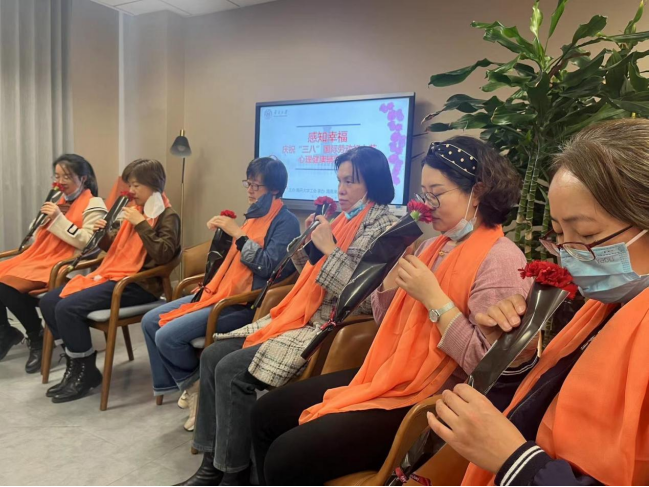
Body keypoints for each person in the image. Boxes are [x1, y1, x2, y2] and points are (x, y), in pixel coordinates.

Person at [251, 136, 533, 485]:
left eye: (436, 194)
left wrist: (435, 300)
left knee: (286, 456)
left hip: (431, 396)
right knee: (266, 412)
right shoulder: (433, 246)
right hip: (391, 370)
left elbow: (487, 367)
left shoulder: (501, 259)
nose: (426, 205)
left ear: (477, 193)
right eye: (424, 194)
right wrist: (387, 284)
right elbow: (387, 322)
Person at [428, 119, 649, 486]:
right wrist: (515, 359)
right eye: (559, 234)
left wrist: (516, 461)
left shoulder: (498, 255)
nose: (568, 255)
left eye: (588, 234)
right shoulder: (607, 309)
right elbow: (540, 405)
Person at [178, 146, 398, 486]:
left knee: (231, 370)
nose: (341, 190)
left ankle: (234, 472)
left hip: (325, 327)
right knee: (211, 356)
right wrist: (306, 241)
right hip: (299, 314)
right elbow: (300, 270)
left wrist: (330, 249)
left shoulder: (386, 227)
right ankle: (212, 462)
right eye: (339, 181)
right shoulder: (343, 218)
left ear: (374, 182)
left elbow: (367, 300)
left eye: (350, 182)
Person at [141, 157, 300, 431]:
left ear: (275, 189)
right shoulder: (254, 216)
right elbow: (230, 265)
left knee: (167, 336)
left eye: (257, 186)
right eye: (248, 183)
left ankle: (196, 392)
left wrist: (238, 234)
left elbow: (269, 267)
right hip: (218, 293)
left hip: (245, 304)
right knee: (150, 321)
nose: (250, 190)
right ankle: (191, 385)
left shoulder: (286, 222)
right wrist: (221, 246)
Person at [39, 159, 181, 404]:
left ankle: (85, 371)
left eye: (136, 185)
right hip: (116, 274)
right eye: (130, 185)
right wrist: (103, 234)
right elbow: (116, 248)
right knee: (49, 301)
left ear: (154, 185)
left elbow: (164, 254)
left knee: (67, 308)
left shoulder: (167, 216)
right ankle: (76, 364)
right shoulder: (135, 210)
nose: (131, 191)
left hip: (140, 285)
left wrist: (141, 225)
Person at [0, 154, 106, 373]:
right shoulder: (59, 201)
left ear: (83, 178)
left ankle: (36, 337)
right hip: (39, 258)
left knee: (6, 286)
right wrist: (42, 220)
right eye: (57, 176)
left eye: (66, 176)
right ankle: (5, 331)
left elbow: (88, 243)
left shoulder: (94, 204)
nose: (60, 182)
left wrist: (58, 218)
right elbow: (37, 237)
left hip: (65, 264)